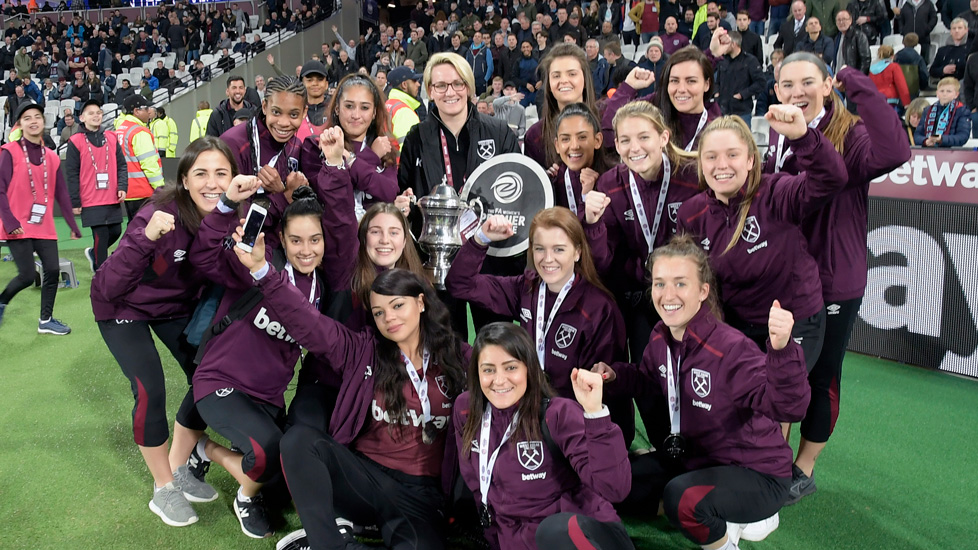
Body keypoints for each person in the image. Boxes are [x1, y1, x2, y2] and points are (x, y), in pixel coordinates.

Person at [593, 234, 812, 550]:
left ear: (702, 291)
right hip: (695, 462)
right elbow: (648, 382)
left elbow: (789, 407)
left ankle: (733, 536)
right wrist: (615, 376)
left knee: (682, 499)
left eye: (680, 283)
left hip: (756, 474)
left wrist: (781, 350)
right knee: (617, 484)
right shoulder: (660, 337)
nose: (668, 294)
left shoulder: (731, 348)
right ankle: (724, 514)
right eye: (659, 283)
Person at [766, 53, 912, 505]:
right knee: (781, 370)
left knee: (821, 376)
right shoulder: (776, 132)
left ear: (827, 86)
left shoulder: (850, 132)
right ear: (776, 90)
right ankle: (772, 459)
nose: (798, 93)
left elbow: (897, 151)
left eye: (808, 82)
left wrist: (855, 80)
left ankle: (803, 468)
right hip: (785, 278)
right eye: (788, 84)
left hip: (833, 280)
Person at [264, 261, 467, 549]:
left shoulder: (458, 358)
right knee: (299, 440)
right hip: (364, 478)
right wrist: (263, 272)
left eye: (398, 306)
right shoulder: (364, 350)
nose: (389, 318)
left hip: (422, 494)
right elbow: (310, 324)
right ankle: (328, 543)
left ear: (420, 303)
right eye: (379, 312)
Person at [90, 137, 234, 527]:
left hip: (174, 308)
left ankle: (179, 465)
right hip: (122, 305)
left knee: (209, 376)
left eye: (222, 173)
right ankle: (163, 488)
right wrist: (145, 237)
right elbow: (107, 286)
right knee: (150, 388)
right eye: (201, 173)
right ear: (185, 180)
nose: (213, 183)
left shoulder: (230, 214)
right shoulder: (159, 212)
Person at [189, 180, 326, 539]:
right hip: (222, 382)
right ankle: (230, 478)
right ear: (282, 238)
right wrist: (225, 205)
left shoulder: (320, 289)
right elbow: (203, 256)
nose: (306, 250)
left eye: (315, 239)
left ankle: (206, 451)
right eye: (296, 240)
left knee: (284, 471)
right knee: (264, 453)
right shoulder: (260, 263)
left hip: (267, 397)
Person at [446, 209, 634, 440]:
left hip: (576, 426)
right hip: (531, 413)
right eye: (539, 249)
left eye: (559, 249)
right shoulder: (527, 288)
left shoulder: (599, 308)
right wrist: (480, 239)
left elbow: (606, 392)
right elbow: (459, 284)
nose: (547, 259)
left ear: (577, 252)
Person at [454, 322, 634, 550]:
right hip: (517, 541)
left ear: (529, 368)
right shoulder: (466, 410)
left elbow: (615, 489)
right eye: (488, 369)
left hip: (578, 535)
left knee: (554, 531)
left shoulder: (557, 414)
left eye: (510, 368)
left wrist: (595, 413)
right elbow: (479, 487)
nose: (499, 380)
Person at [585, 99, 700, 448]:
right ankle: (664, 447)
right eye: (624, 140)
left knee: (693, 373)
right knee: (648, 375)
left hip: (688, 297)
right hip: (638, 298)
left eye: (644, 137)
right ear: (615, 144)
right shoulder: (610, 183)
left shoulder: (692, 175)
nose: (634, 148)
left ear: (663, 137)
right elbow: (603, 261)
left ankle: (700, 448)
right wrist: (591, 225)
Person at [0, 101, 82, 334]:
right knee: (26, 276)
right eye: (27, 118)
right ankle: (2, 300)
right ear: (20, 124)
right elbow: (0, 190)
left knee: (53, 270)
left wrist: (72, 225)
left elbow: (62, 194)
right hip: (17, 225)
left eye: (37, 116)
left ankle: (46, 320)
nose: (33, 121)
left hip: (43, 225)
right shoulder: (9, 152)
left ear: (43, 122)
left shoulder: (52, 156)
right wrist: (10, 221)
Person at [221, 76, 310, 255]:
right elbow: (233, 220)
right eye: (276, 112)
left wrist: (284, 193)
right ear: (264, 107)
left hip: (281, 249)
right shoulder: (233, 143)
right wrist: (283, 197)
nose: (284, 123)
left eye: (293, 114)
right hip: (238, 254)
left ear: (304, 112)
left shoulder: (296, 145)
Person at [304, 73, 398, 220]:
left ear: (374, 112)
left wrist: (352, 159)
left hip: (375, 238)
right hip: (336, 237)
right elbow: (329, 195)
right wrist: (371, 156)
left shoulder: (384, 148)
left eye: (365, 108)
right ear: (336, 108)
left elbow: (389, 192)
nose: (356, 115)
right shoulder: (316, 145)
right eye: (349, 106)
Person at [65, 100, 127, 272]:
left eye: (98, 112)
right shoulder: (75, 141)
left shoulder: (111, 137)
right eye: (91, 113)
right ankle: (102, 274)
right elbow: (72, 174)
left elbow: (122, 165)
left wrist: (122, 186)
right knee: (101, 234)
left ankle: (94, 254)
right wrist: (75, 202)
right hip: (90, 199)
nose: (96, 116)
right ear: (82, 118)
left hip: (111, 196)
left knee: (115, 231)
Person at [524, 44, 602, 169]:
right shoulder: (535, 135)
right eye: (556, 76)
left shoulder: (605, 120)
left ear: (585, 78)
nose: (564, 80)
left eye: (572, 74)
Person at [544, 103, 616, 218]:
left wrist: (588, 195)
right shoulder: (553, 184)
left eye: (582, 137)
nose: (574, 146)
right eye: (565, 139)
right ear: (557, 145)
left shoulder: (616, 179)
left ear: (597, 140)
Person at [115, 94, 164, 221]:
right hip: (143, 190)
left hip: (127, 190)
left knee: (133, 227)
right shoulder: (139, 132)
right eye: (146, 108)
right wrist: (160, 188)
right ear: (136, 111)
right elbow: (149, 164)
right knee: (146, 229)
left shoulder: (120, 130)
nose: (150, 112)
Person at [712, 29, 766, 124]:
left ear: (733, 44)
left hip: (742, 111)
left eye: (725, 43)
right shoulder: (722, 61)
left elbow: (761, 83)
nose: (722, 46)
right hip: (722, 110)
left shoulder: (750, 61)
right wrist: (716, 93)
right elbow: (717, 81)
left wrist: (742, 95)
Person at [915, 77, 972, 146]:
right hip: (929, 151)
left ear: (956, 94)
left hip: (952, 152)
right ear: (937, 93)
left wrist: (942, 139)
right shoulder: (928, 110)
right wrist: (925, 141)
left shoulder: (962, 111)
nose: (944, 94)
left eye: (949, 91)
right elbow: (917, 135)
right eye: (942, 91)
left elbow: (963, 136)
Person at [385, 66, 423, 146]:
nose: (418, 84)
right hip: (399, 158)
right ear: (404, 85)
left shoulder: (388, 105)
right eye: (414, 81)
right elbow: (411, 151)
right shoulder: (404, 112)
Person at [869, 45, 912, 111]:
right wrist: (906, 102)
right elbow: (901, 85)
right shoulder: (894, 67)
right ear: (892, 56)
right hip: (891, 100)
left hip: (876, 100)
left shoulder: (871, 69)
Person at [930, 18, 970, 82]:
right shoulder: (942, 50)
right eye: (954, 28)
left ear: (966, 30)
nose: (956, 31)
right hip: (945, 84)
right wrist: (943, 70)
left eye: (960, 28)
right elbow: (932, 71)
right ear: (951, 31)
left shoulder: (971, 49)